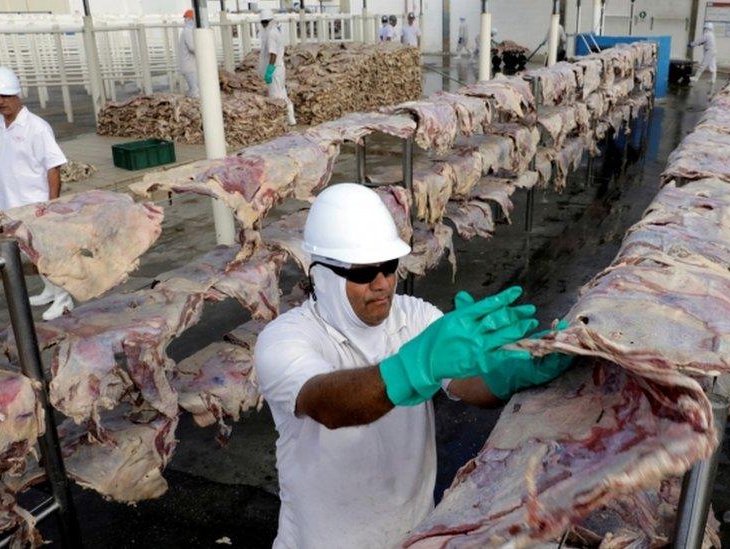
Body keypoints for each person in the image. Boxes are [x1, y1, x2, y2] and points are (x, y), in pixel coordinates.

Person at [255, 183, 572, 548]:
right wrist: (415, 365)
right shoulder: (284, 340)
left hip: (413, 535)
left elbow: (465, 384)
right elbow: (329, 405)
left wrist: (508, 373)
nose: (382, 284)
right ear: (322, 276)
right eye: (363, 273)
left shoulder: (414, 317)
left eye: (389, 267)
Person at [0, 67, 73, 320]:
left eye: (5, 95)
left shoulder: (37, 127)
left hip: (34, 204)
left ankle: (63, 299)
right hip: (11, 206)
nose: (0, 101)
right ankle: (49, 290)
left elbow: (53, 168)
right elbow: (0, 163)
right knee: (29, 254)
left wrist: (50, 206)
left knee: (47, 253)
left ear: (17, 95)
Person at [258, 9, 296, 125]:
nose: (264, 24)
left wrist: (269, 70)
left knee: (275, 97)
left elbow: (273, 54)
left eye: (266, 22)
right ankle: (291, 119)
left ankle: (280, 122)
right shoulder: (276, 31)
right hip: (279, 68)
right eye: (262, 22)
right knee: (282, 93)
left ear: (270, 21)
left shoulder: (271, 34)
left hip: (274, 69)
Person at [177, 10, 198, 98]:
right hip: (189, 66)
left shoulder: (187, 31)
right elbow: (192, 47)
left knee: (194, 89)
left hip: (189, 65)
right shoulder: (188, 31)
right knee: (195, 91)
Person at [689, 22, 717, 86]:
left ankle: (696, 78)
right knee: (713, 66)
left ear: (706, 28)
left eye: (704, 28)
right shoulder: (711, 34)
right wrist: (701, 43)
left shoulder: (707, 34)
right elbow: (705, 42)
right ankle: (713, 80)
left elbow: (699, 41)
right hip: (713, 51)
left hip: (709, 51)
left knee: (703, 64)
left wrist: (691, 44)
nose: (704, 29)